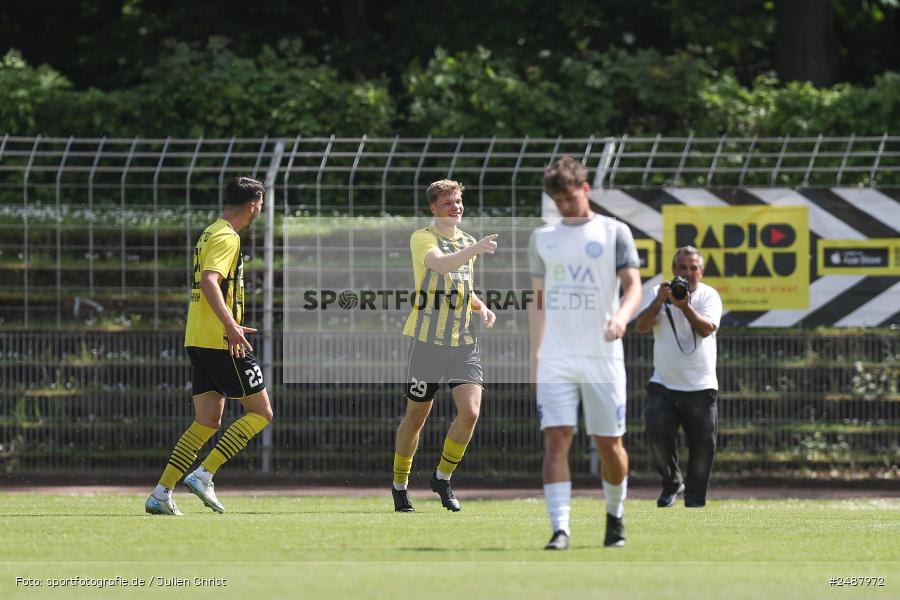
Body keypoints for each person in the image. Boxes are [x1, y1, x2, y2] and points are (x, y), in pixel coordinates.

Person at [528, 156, 642, 550]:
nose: (564, 206)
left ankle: (615, 517)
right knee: (556, 440)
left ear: (586, 190)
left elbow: (634, 286)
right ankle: (560, 529)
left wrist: (623, 317)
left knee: (608, 444)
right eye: (557, 200)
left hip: (602, 356)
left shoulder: (615, 233)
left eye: (570, 198)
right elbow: (538, 302)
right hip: (558, 357)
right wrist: (537, 356)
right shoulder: (543, 238)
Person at [145, 176, 273, 515]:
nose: (261, 209)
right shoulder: (227, 236)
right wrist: (231, 326)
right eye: (261, 204)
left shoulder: (209, 231)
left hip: (197, 336)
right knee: (261, 413)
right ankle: (204, 473)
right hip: (220, 340)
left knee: (206, 422)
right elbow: (210, 281)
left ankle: (161, 493)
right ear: (253, 204)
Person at [391, 179, 498, 513]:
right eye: (449, 203)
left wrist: (481, 307)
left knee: (471, 411)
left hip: (462, 343)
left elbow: (461, 285)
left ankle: (442, 478)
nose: (456, 207)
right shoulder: (423, 237)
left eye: (459, 201)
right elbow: (440, 265)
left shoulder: (467, 241)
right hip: (426, 343)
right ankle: (400, 485)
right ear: (434, 208)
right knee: (417, 417)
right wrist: (474, 249)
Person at [634, 246, 722, 508]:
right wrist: (660, 301)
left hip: (701, 385)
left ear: (701, 271)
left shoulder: (709, 295)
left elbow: (707, 329)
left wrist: (684, 307)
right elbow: (640, 327)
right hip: (664, 383)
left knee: (703, 447)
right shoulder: (657, 293)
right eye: (682, 268)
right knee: (655, 434)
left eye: (693, 268)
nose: (687, 273)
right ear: (673, 271)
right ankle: (672, 482)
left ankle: (695, 499)